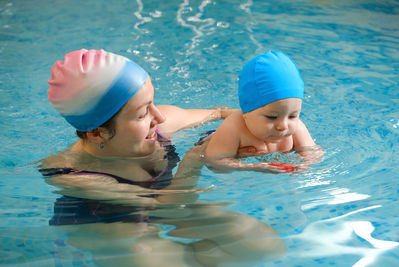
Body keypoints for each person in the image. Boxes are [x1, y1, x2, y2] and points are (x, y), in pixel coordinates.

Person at [38, 49, 285, 266]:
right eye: (143, 113)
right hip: (110, 223)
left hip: (167, 203)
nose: (160, 118)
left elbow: (224, 113)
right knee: (143, 253)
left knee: (263, 245)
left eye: (152, 103)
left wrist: (267, 129)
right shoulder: (74, 176)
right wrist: (194, 160)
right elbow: (168, 206)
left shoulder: (159, 126)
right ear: (96, 132)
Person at [204, 51, 322, 172]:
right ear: (246, 113)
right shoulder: (232, 128)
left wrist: (305, 165)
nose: (283, 126)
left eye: (292, 116)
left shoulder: (297, 127)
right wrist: (251, 167)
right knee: (193, 157)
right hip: (215, 141)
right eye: (272, 117)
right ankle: (221, 112)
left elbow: (314, 153)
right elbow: (215, 163)